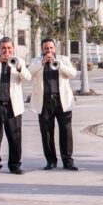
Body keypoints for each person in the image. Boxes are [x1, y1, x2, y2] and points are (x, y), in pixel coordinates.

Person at [0, 37, 31, 176]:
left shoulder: (18, 61)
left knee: (15, 137)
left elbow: (27, 77)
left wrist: (19, 67)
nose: (6, 51)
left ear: (13, 49)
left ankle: (15, 165)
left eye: (9, 48)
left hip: (12, 106)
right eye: (3, 48)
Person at [28, 38, 79, 171]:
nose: (49, 51)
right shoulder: (36, 61)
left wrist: (59, 65)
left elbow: (73, 73)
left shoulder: (63, 59)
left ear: (55, 48)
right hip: (44, 101)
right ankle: (50, 160)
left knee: (66, 131)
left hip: (62, 101)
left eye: (51, 48)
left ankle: (68, 160)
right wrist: (42, 63)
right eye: (46, 48)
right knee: (46, 132)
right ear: (42, 50)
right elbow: (29, 72)